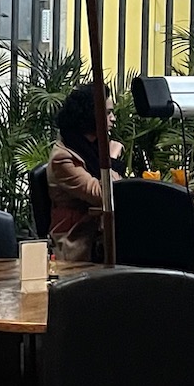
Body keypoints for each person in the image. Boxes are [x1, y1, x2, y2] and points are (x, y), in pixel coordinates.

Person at [48, 82, 124, 263]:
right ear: (91, 115)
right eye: (107, 113)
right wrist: (111, 159)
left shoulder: (92, 148)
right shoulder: (64, 158)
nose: (113, 118)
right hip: (79, 242)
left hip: (101, 235)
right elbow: (103, 195)